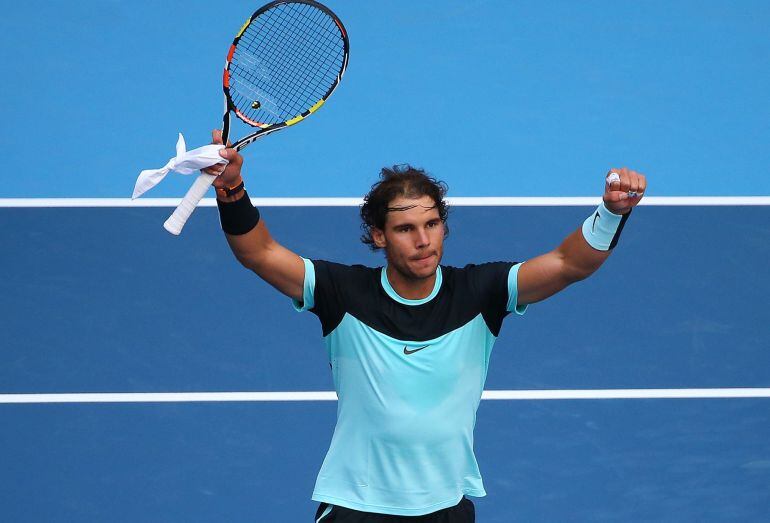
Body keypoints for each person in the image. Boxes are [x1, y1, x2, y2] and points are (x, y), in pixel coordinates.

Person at [205, 130, 647, 522]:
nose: (423, 240)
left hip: (445, 508)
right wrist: (232, 190)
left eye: (432, 224)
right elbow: (258, 253)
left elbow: (570, 264)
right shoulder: (341, 293)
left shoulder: (482, 293)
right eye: (405, 228)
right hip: (356, 507)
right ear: (378, 235)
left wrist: (611, 213)